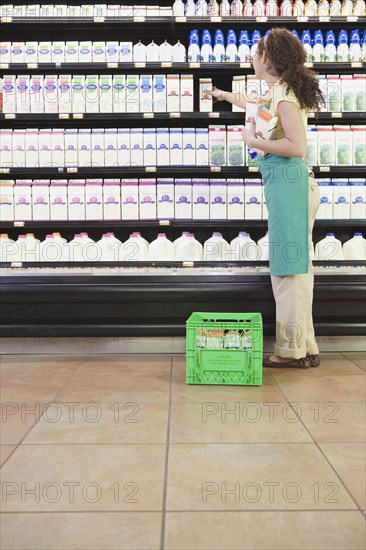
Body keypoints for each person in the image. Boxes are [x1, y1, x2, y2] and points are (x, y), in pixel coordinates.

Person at [210, 28, 324, 368]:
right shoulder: (279, 92)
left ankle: (290, 352)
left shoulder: (285, 97)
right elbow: (256, 105)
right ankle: (305, 347)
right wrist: (222, 95)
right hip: (288, 187)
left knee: (288, 271)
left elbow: (296, 146)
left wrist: (252, 141)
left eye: (256, 53)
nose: (252, 58)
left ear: (268, 59)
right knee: (297, 269)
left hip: (290, 187)